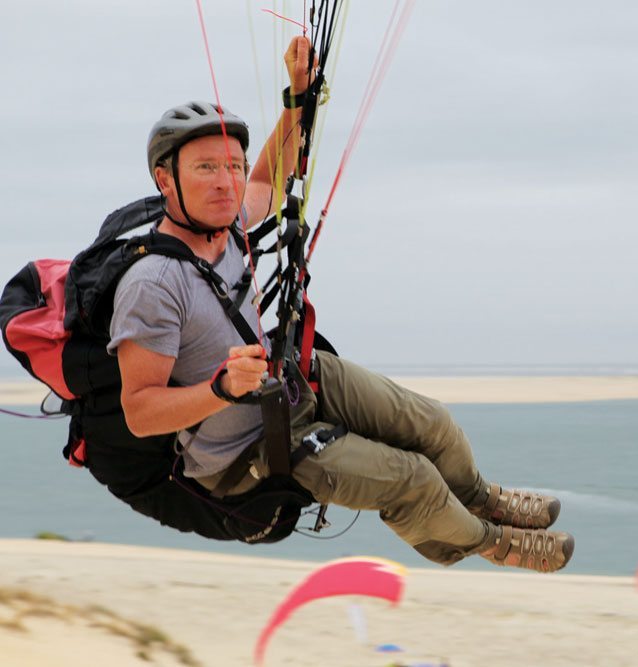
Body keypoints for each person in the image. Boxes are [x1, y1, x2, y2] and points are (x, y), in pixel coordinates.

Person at [108, 36, 574, 572]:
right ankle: (496, 542)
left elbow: (265, 178)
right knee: (412, 478)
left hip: (290, 382)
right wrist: (219, 386)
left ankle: (480, 498)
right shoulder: (152, 283)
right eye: (206, 168)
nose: (227, 182)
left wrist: (296, 98)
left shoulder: (229, 222)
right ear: (165, 179)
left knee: (432, 424)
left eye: (231, 165)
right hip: (250, 448)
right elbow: (140, 412)